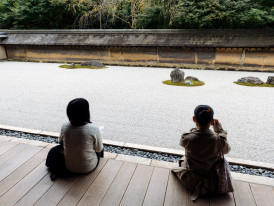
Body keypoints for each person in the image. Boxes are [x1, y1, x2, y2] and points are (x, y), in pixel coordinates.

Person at [172, 105, 231, 200]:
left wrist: (197, 129)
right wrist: (220, 131)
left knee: (182, 161)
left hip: (192, 178)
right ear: (212, 122)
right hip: (213, 180)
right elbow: (227, 150)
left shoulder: (187, 138)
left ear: (194, 119)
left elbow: (189, 138)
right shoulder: (218, 140)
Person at [46, 98, 104, 180]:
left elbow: (60, 142)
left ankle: (56, 170)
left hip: (69, 167)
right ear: (86, 113)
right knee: (100, 145)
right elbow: (99, 149)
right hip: (88, 168)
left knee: (56, 150)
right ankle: (101, 162)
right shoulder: (94, 129)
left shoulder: (64, 126)